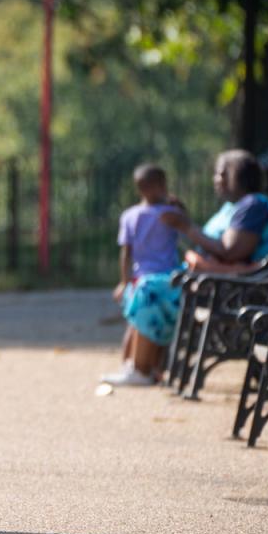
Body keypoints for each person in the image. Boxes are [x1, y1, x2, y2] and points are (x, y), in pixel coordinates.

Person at [106, 149, 268, 387]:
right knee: (147, 285)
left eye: (221, 174)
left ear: (236, 175)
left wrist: (186, 226)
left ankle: (142, 369)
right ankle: (140, 366)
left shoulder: (253, 205)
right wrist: (185, 220)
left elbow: (231, 251)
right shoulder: (236, 206)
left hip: (230, 289)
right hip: (212, 283)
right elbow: (213, 243)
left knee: (150, 288)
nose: (215, 180)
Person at [102, 164, 185, 386]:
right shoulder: (170, 214)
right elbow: (188, 229)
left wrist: (124, 280)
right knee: (157, 325)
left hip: (141, 279)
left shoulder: (129, 215)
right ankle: (144, 368)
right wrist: (181, 208)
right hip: (167, 280)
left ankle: (132, 366)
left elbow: (126, 253)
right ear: (159, 186)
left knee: (135, 323)